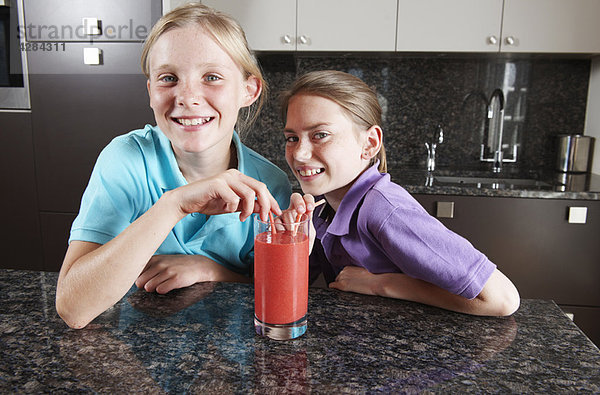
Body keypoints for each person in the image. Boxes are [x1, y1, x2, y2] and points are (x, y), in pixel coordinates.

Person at [56, 3, 292, 329]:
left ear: (248, 90)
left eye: (212, 77)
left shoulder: (269, 183)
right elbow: (72, 307)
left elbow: (275, 291)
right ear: (151, 91)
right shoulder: (126, 159)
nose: (187, 96)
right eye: (169, 78)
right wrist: (173, 205)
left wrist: (210, 269)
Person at [279, 70, 520, 316]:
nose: (299, 154)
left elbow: (502, 299)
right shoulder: (322, 207)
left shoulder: (385, 211)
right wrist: (291, 244)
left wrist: (381, 284)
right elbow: (284, 298)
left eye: (320, 135)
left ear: (370, 143)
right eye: (292, 138)